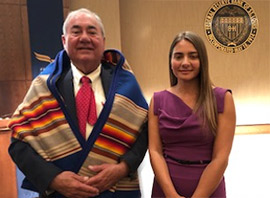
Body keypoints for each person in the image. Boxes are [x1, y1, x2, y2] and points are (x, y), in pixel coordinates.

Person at [8, 8, 148, 198]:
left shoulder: (126, 85)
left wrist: (123, 168)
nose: (84, 38)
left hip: (115, 191)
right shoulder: (44, 87)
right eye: (76, 32)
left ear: (103, 41)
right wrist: (54, 179)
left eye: (92, 32)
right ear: (64, 41)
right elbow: (18, 145)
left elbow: (144, 132)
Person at [148, 31, 236, 198]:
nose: (185, 63)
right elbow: (155, 151)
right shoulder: (157, 100)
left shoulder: (222, 98)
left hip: (209, 188)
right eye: (178, 56)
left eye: (193, 56)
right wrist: (171, 194)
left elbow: (221, 157)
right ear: (170, 61)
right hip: (166, 188)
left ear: (202, 60)